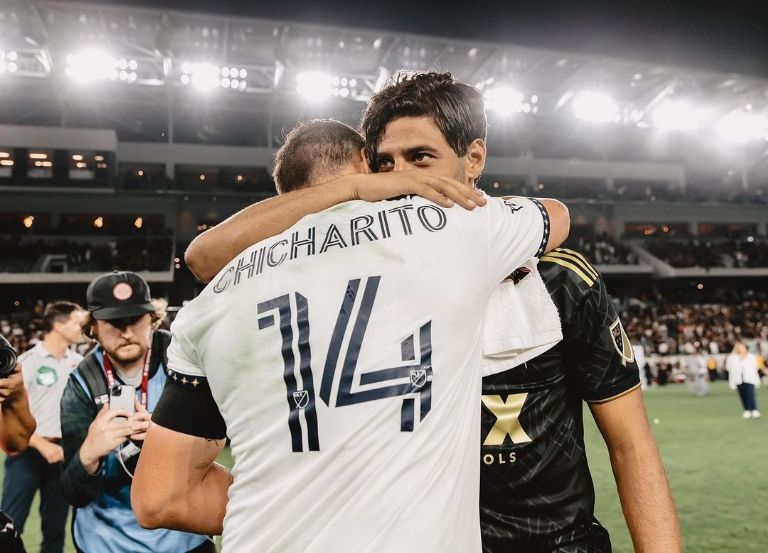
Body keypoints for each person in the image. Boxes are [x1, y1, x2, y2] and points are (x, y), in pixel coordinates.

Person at [132, 115, 570, 552]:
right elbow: (554, 216)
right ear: (367, 161)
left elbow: (159, 499)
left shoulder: (210, 302)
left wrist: (292, 509)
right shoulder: (444, 229)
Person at [59, 271, 213, 552]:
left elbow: (224, 440)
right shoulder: (82, 382)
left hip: (182, 534)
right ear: (93, 328)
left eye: (134, 319)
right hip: (106, 541)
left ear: (153, 319)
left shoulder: (184, 359)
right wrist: (89, 454)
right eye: (114, 323)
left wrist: (165, 439)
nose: (127, 332)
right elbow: (73, 493)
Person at [2, 302, 85, 553]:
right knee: (9, 524)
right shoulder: (25, 362)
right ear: (58, 325)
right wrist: (41, 444)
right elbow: (8, 415)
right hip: (26, 452)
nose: (81, 328)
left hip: (62, 454)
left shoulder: (80, 364)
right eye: (76, 322)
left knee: (55, 528)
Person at [726, 341, 761, 418]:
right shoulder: (733, 357)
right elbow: (728, 367)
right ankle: (747, 410)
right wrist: (734, 351)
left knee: (750, 394)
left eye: (742, 347)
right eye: (739, 348)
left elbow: (756, 367)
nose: (741, 349)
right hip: (738, 379)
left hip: (749, 378)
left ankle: (754, 409)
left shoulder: (751, 356)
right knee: (742, 395)